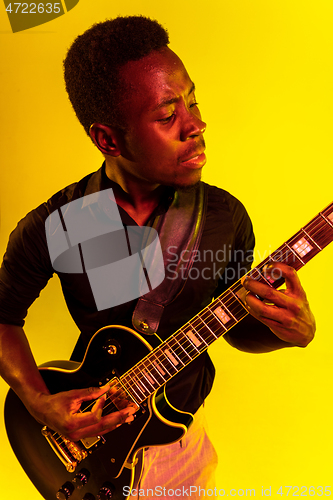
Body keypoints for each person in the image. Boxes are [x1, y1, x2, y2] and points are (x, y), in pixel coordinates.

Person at [0, 15, 315, 498]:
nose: (196, 125)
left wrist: (287, 331)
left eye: (193, 101)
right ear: (108, 139)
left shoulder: (224, 217)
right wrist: (40, 403)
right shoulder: (61, 224)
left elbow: (236, 330)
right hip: (86, 443)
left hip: (181, 445)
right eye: (168, 115)